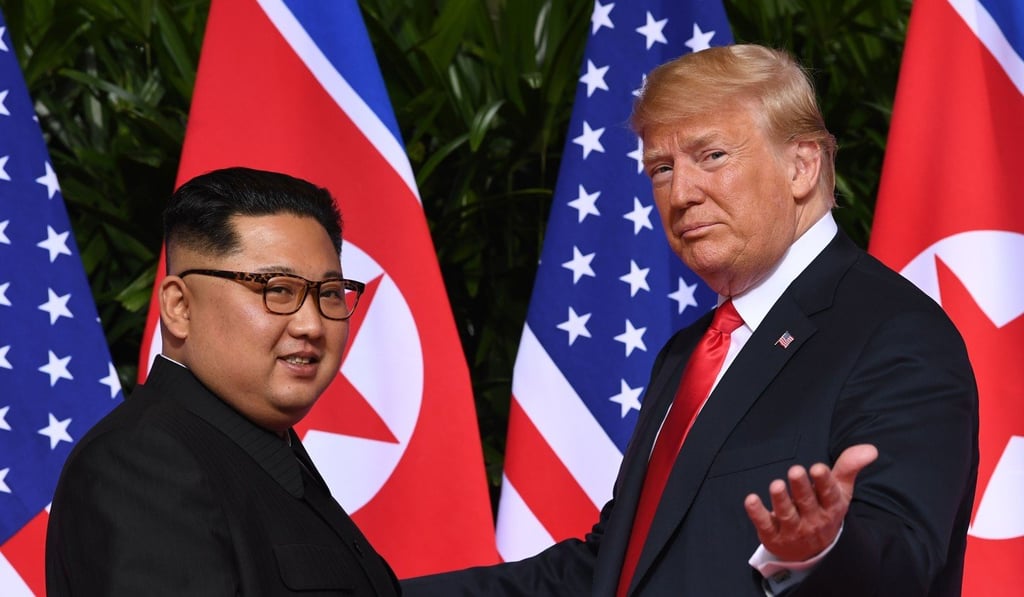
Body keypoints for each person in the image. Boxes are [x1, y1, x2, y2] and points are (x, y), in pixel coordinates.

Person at [403, 44, 978, 596]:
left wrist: (820, 551)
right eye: (661, 168)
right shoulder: (688, 353)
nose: (680, 194)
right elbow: (613, 572)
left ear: (802, 166)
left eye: (712, 156)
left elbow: (903, 563)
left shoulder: (894, 332)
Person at [46, 167, 400, 596]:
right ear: (179, 307)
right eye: (277, 289)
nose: (311, 324)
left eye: (329, 293)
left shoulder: (263, 450)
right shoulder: (141, 462)